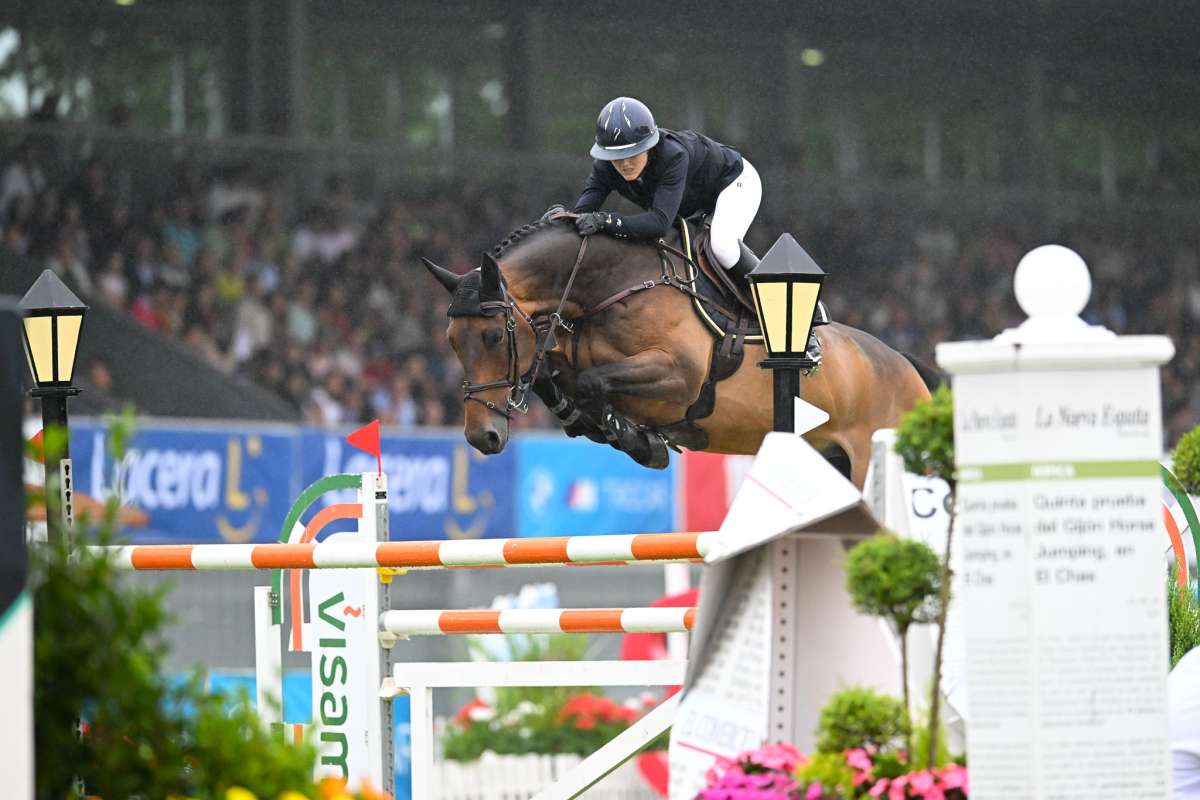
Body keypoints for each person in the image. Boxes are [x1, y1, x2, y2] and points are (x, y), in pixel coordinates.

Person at [572, 96, 761, 275]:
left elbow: (660, 223)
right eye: (616, 158)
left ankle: (775, 292)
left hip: (735, 182)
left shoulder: (673, 156)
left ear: (648, 146)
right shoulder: (604, 166)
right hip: (694, 202)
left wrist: (606, 221)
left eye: (633, 154)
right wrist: (556, 220)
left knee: (722, 247)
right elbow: (581, 214)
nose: (624, 164)